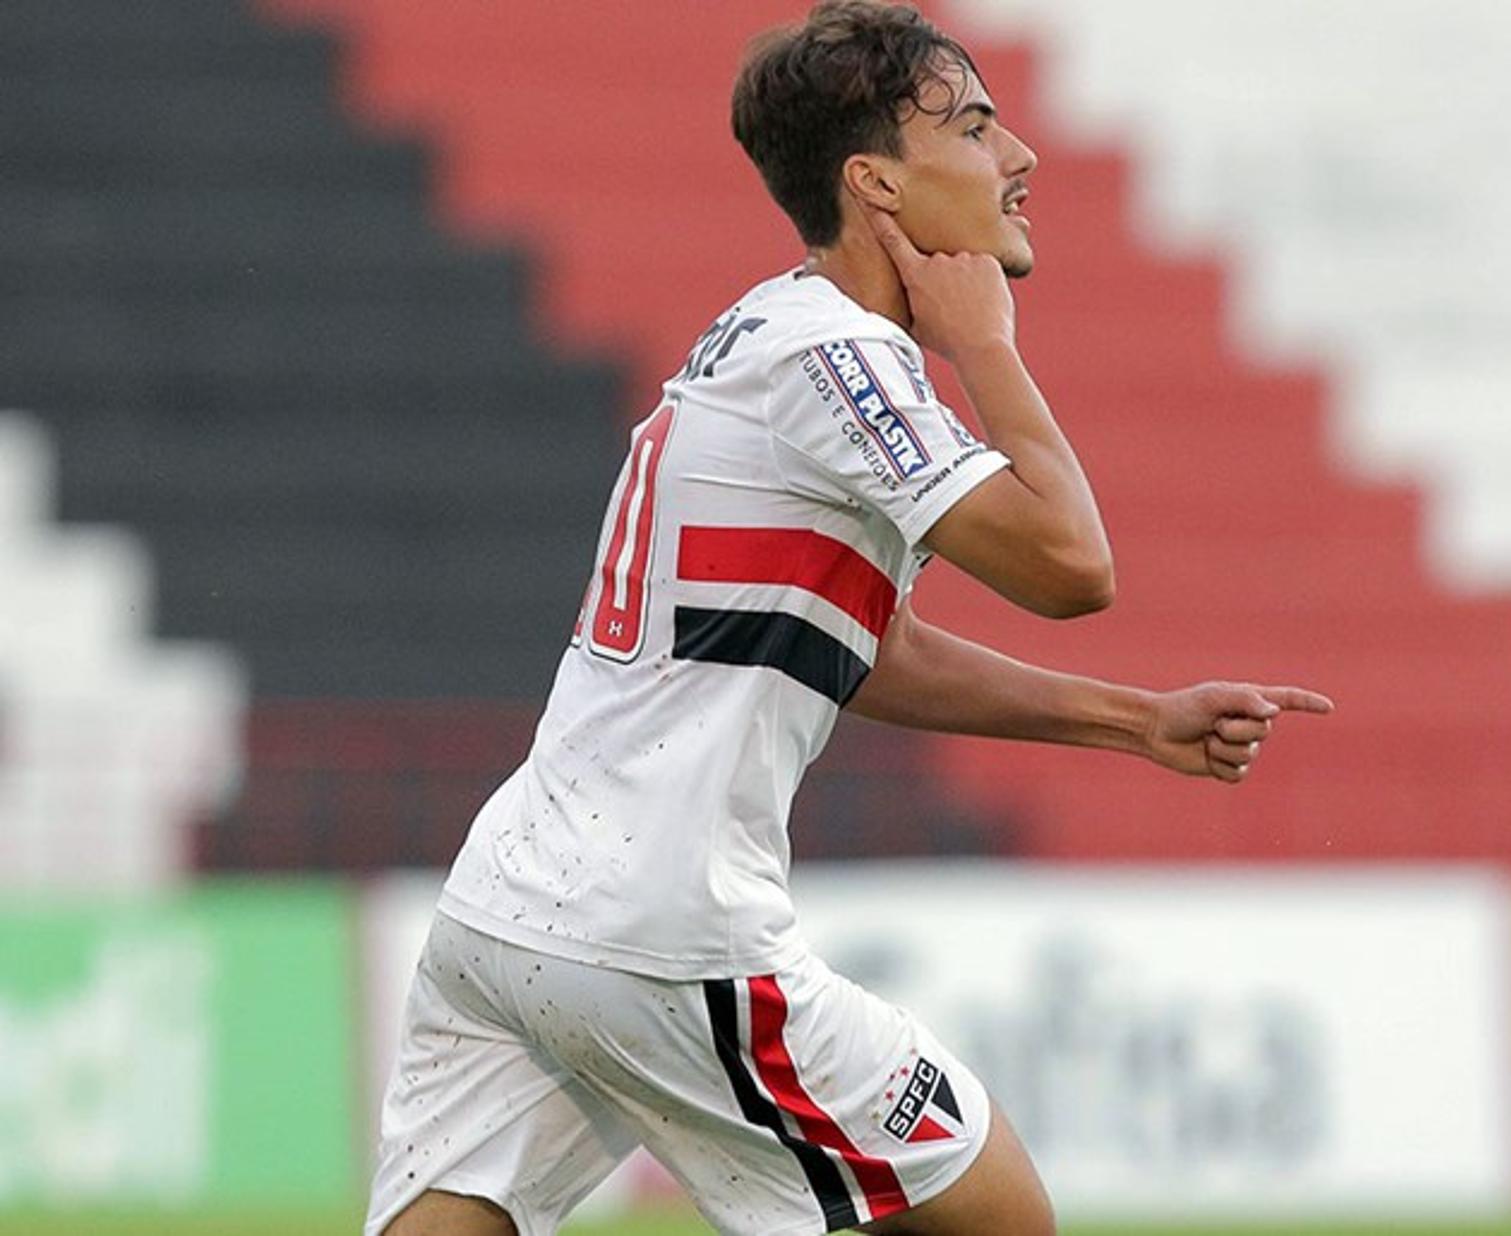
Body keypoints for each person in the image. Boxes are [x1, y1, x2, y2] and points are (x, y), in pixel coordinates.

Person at [367, 3, 1332, 1234]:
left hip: (506, 909)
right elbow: (1071, 565)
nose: (1020, 157)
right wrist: (988, 351)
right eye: (978, 127)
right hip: (661, 929)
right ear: (876, 182)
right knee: (995, 1211)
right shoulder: (842, 359)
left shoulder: (765, 336)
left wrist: (1136, 723)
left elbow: (856, 649)